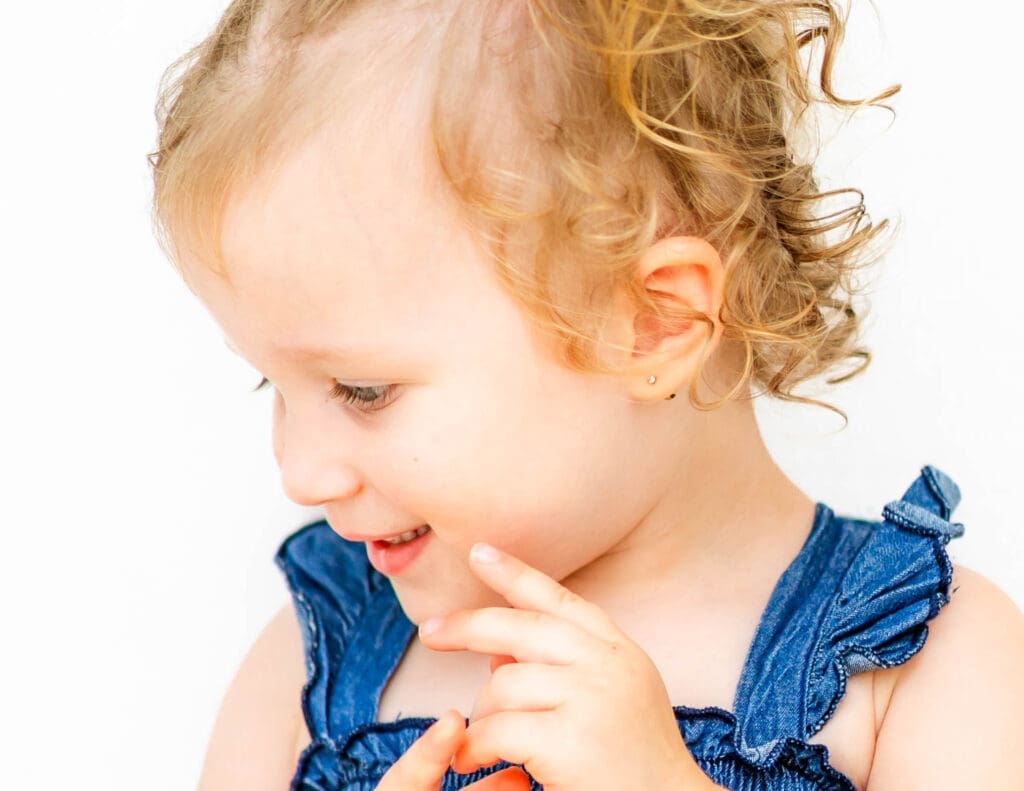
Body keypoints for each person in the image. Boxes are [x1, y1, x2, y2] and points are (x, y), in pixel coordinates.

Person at [149, 1, 1024, 789]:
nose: (299, 471)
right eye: (275, 379)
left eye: (361, 388)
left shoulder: (921, 669)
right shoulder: (310, 668)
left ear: (652, 323)